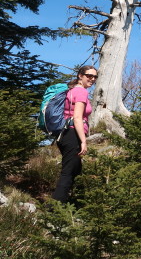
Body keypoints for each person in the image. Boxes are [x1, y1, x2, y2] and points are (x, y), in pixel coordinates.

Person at [51, 65, 97, 203]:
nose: (92, 79)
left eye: (95, 76)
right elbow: (77, 117)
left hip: (64, 134)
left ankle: (72, 204)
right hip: (73, 134)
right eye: (89, 76)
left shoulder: (71, 91)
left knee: (76, 170)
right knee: (68, 172)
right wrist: (83, 141)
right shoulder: (81, 92)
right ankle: (53, 210)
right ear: (80, 75)